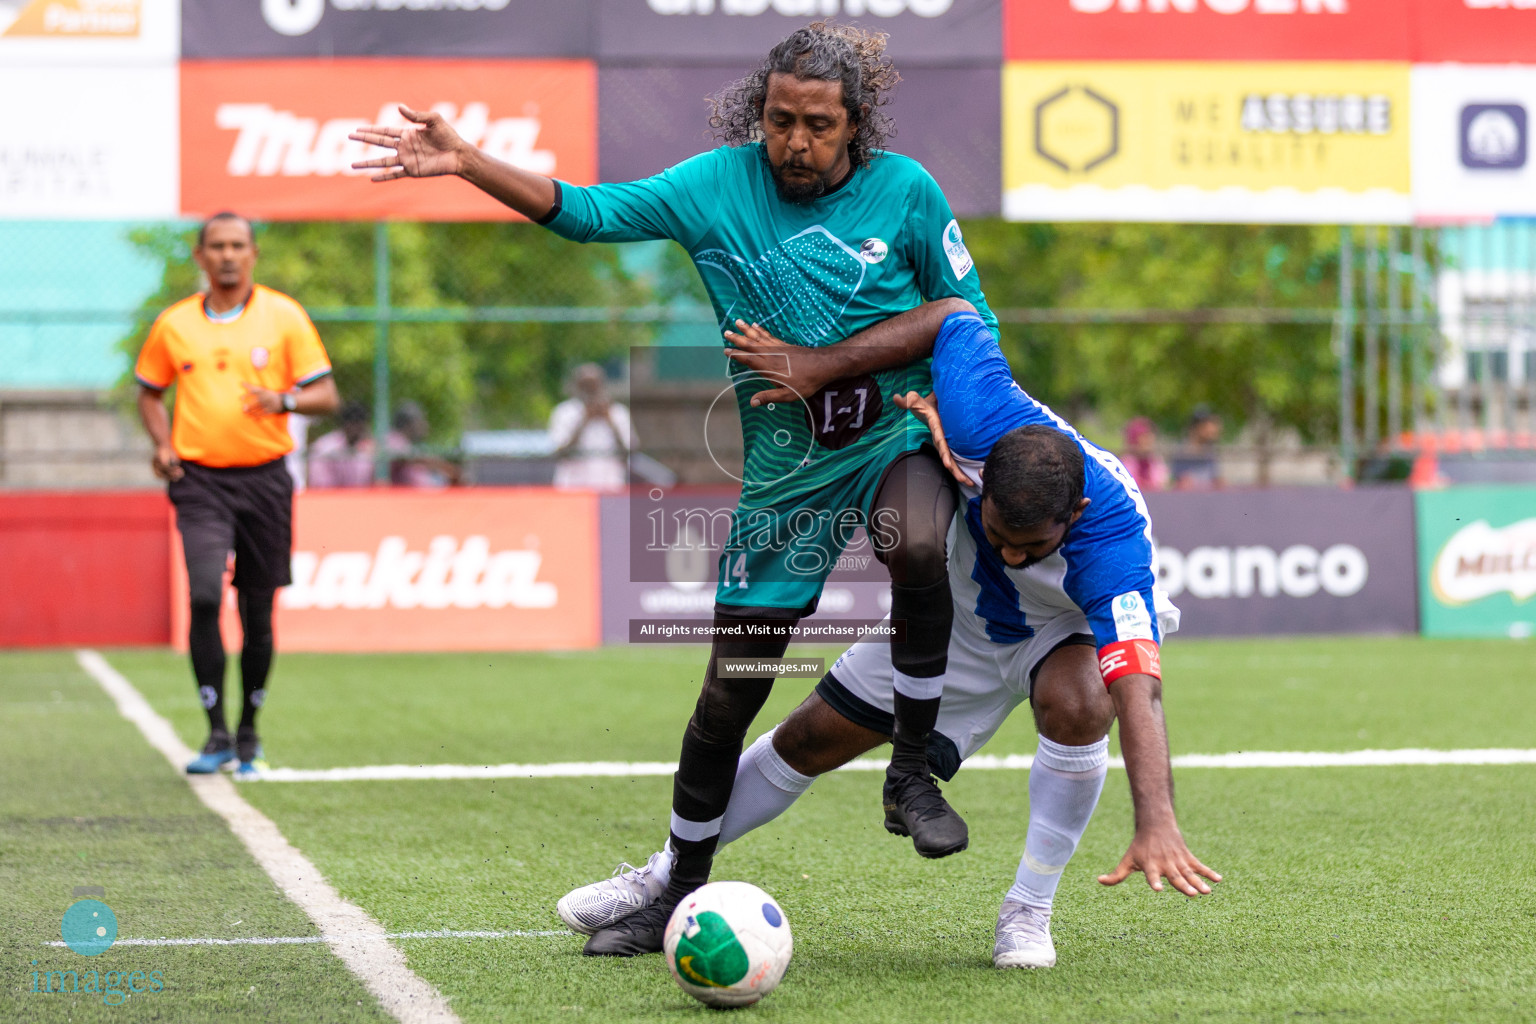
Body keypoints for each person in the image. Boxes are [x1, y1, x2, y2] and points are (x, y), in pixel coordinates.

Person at [351, 21, 994, 954]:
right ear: (758, 114)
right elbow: (587, 212)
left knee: (920, 546)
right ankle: (674, 893)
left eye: (818, 125)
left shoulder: (908, 193)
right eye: (779, 121)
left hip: (893, 437)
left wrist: (914, 402)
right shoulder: (715, 185)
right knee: (732, 694)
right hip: (784, 481)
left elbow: (968, 321)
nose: (796, 143)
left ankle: (910, 774)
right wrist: (469, 162)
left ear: (857, 124)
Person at [559, 305, 1219, 968]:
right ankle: (662, 876)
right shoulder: (974, 413)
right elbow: (955, 315)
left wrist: (1156, 819)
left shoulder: (1113, 546)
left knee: (1081, 702)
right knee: (807, 739)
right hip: (962, 616)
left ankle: (1029, 908)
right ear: (980, 476)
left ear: (1072, 515)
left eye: (1033, 547)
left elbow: (1139, 687)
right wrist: (824, 364)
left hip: (1062, 626)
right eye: (1001, 537)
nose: (1015, 556)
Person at [134, 211, 340, 780]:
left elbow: (325, 393)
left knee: (257, 611)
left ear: (253, 255)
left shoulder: (284, 316)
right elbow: (149, 393)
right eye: (217, 246)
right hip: (198, 482)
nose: (227, 255)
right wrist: (162, 443)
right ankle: (216, 733)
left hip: (266, 480)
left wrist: (286, 402)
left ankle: (248, 733)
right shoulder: (175, 324)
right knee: (203, 596)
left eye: (237, 246)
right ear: (200, 257)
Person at [549, 363, 633, 492]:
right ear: (577, 386)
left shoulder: (617, 412)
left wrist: (609, 421)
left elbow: (629, 452)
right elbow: (560, 452)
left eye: (594, 385)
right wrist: (584, 421)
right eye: (586, 385)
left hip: (610, 486)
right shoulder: (564, 412)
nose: (590, 390)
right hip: (573, 487)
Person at [384, 401, 460, 488]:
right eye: (420, 421)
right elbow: (403, 457)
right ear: (409, 424)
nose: (425, 425)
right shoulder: (394, 439)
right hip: (402, 496)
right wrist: (444, 466)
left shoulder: (406, 443)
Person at [308, 401, 375, 488]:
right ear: (344, 424)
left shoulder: (368, 446)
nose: (356, 428)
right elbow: (319, 483)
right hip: (330, 496)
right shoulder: (325, 446)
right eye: (352, 423)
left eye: (359, 423)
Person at [1171, 405, 1222, 490]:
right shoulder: (1181, 453)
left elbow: (1216, 481)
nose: (1215, 428)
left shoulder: (1210, 453)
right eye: (1210, 424)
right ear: (1198, 427)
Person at [1121, 416, 1169, 493]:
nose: (1149, 441)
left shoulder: (1156, 462)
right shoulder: (1126, 463)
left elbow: (1163, 486)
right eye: (1145, 438)